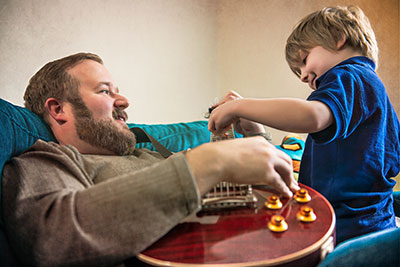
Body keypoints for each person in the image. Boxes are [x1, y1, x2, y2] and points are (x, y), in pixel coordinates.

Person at [1, 52, 299, 266]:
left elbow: (247, 191)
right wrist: (206, 163)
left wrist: (254, 134)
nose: (124, 101)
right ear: (58, 110)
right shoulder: (45, 159)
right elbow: (54, 239)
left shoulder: (144, 152)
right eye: (105, 91)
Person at [208, 6, 400, 244]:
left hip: (351, 231)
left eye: (305, 60)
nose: (302, 77)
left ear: (339, 37)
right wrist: (254, 131)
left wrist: (240, 106)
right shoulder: (370, 92)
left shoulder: (351, 75)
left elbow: (312, 116)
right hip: (365, 226)